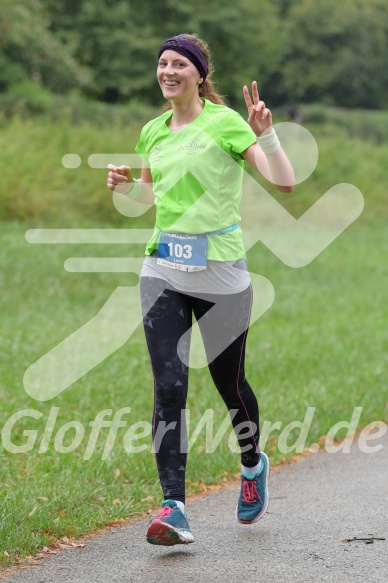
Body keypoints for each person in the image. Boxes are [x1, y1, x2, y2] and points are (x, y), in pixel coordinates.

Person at [107, 33, 295, 546]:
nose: (168, 72)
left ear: (198, 73)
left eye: (178, 65)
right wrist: (127, 185)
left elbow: (284, 182)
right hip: (163, 269)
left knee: (229, 384)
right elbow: (152, 194)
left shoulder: (226, 123)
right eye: (162, 64)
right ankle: (174, 507)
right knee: (168, 386)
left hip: (222, 278)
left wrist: (269, 135)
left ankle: (253, 463)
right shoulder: (153, 130)